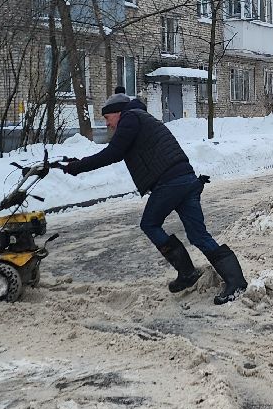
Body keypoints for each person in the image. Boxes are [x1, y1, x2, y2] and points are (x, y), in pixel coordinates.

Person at [58, 93, 248, 304]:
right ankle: (235, 281)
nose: (107, 124)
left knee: (149, 224)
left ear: (117, 112)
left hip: (170, 182)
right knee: (198, 235)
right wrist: (79, 162)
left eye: (107, 118)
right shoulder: (139, 117)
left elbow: (113, 153)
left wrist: (79, 167)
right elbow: (120, 150)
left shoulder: (130, 118)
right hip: (186, 179)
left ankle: (187, 273)